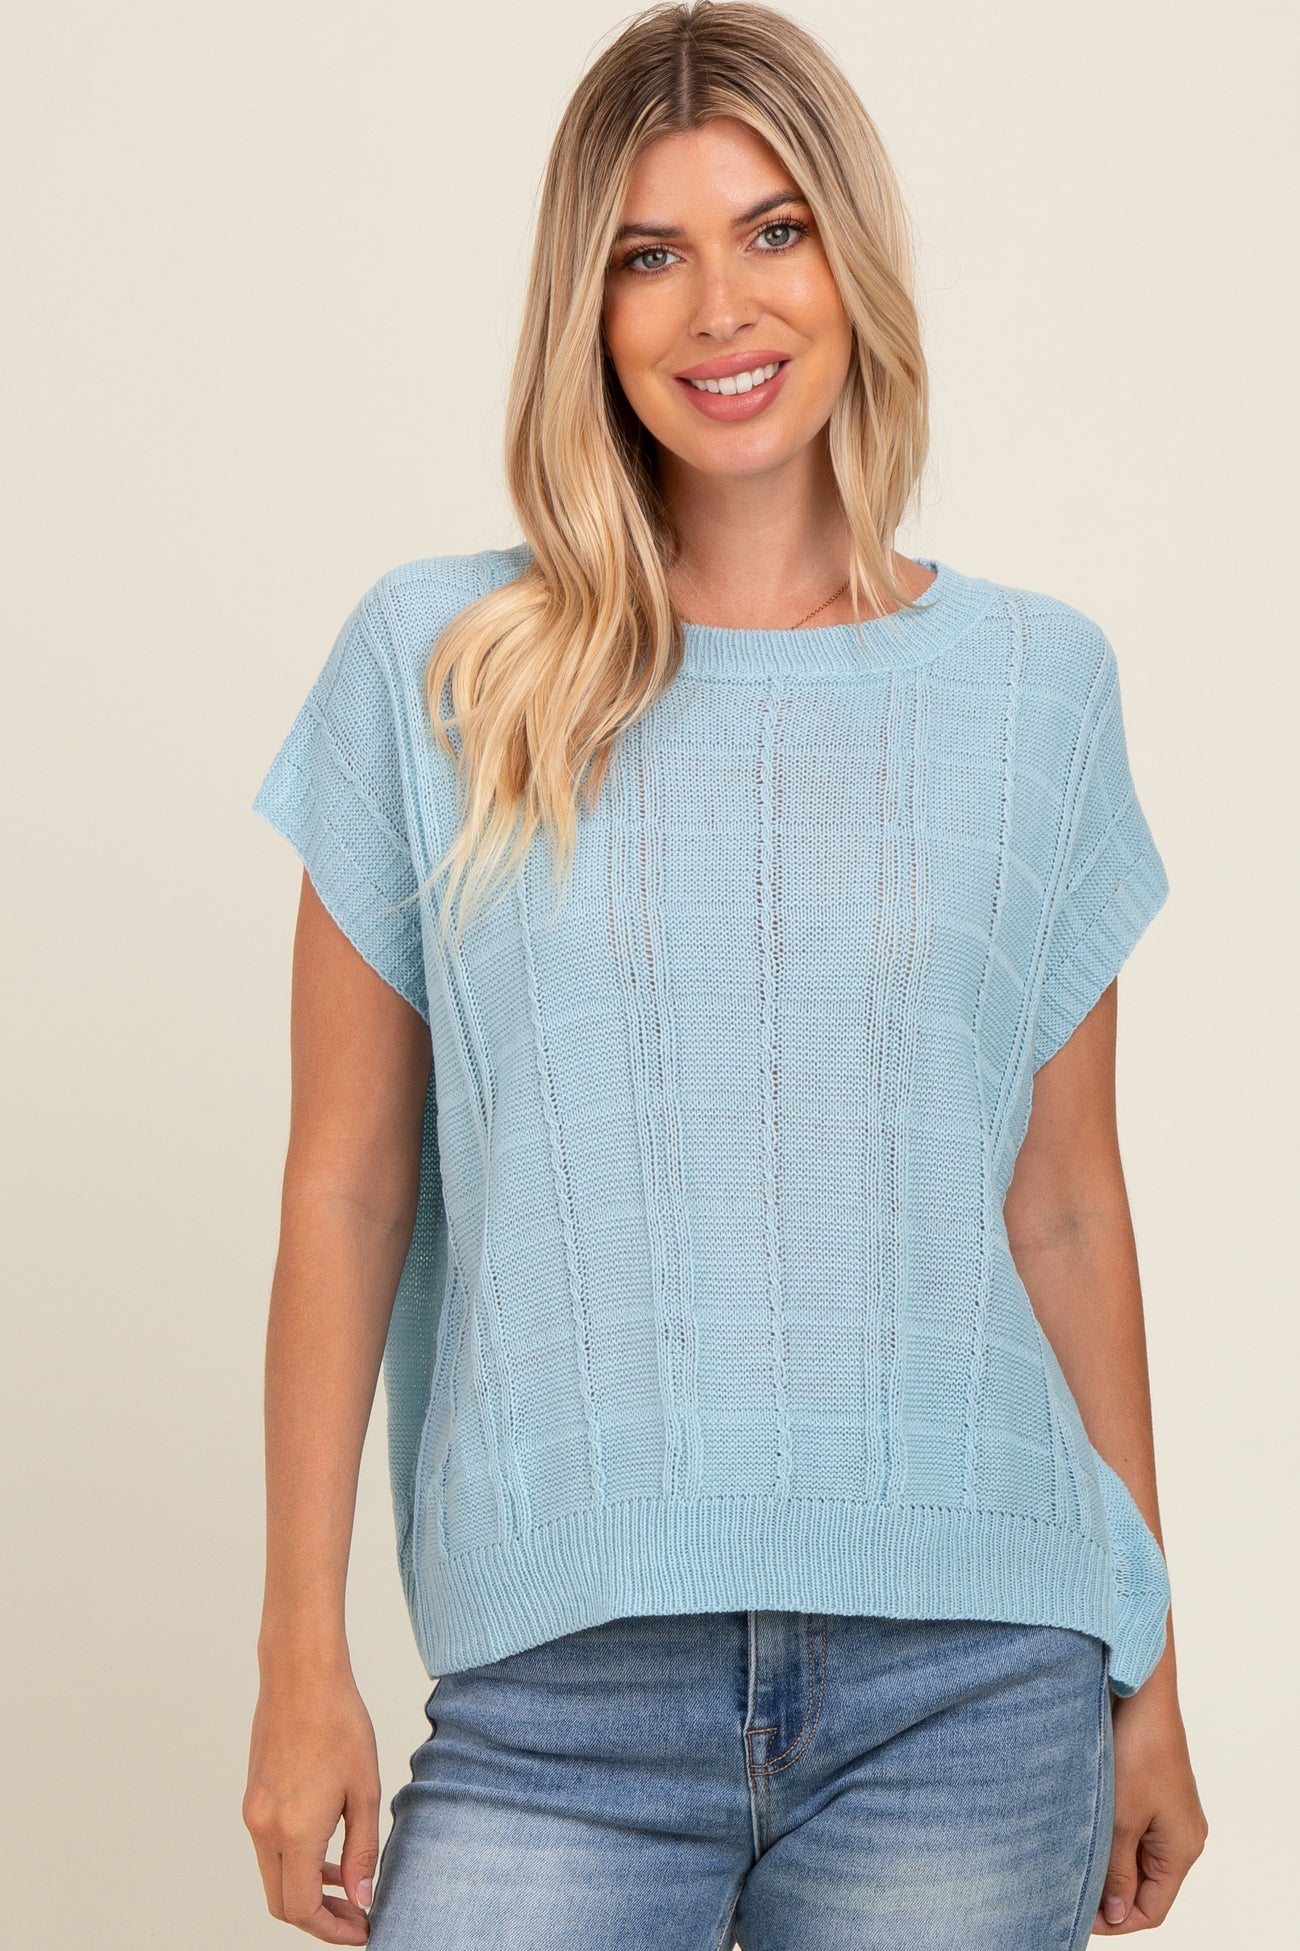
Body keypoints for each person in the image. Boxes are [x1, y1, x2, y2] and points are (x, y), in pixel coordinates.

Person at [242, 4, 1208, 1945]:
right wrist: (297, 1655)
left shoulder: (1034, 688)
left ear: (852, 261)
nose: (719, 308)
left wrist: (1155, 1678)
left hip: (976, 1675)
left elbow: (1065, 1208)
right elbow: (346, 1188)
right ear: (584, 312)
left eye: (773, 231)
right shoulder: (440, 670)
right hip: (558, 1695)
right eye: (647, 254)